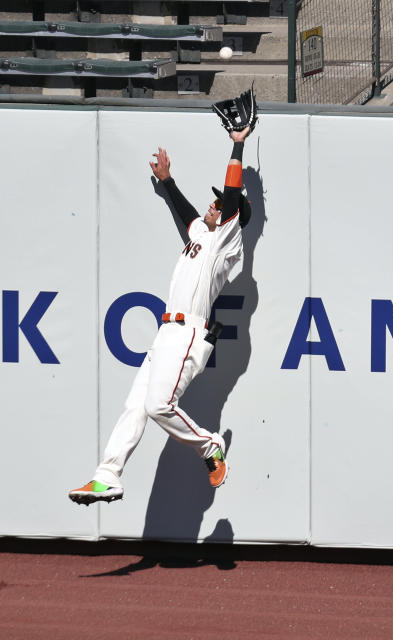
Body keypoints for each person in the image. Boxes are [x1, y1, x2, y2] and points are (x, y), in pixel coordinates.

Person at [69, 125, 254, 505]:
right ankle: (108, 475)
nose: (213, 204)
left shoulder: (226, 241)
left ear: (232, 217)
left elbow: (233, 198)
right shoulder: (203, 235)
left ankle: (209, 445)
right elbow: (186, 212)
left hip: (189, 333)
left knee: (157, 406)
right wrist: (167, 181)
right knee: (135, 407)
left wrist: (237, 146)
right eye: (215, 202)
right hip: (166, 333)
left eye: (219, 205)